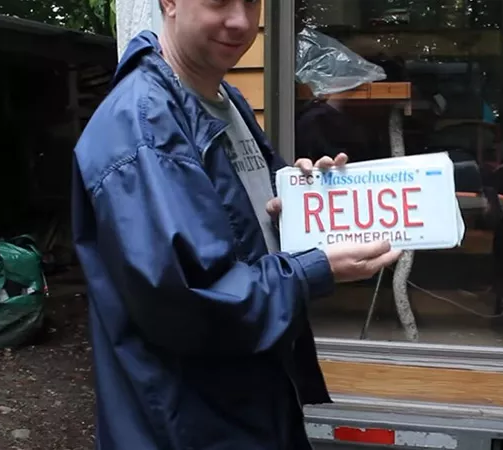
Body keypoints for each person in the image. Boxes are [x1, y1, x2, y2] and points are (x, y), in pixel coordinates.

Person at [71, 0, 401, 449]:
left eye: (251, 2)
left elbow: (246, 236)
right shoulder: (145, 127)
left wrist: (307, 204)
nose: (241, 22)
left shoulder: (222, 100)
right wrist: (313, 270)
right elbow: (192, 300)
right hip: (192, 423)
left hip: (250, 402)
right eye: (219, 1)